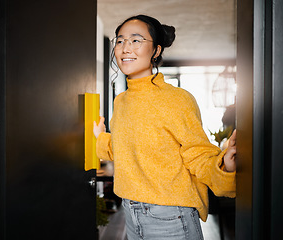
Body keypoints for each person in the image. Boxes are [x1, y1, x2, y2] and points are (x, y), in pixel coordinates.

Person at [93, 15, 236, 240]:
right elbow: (125, 149)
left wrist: (224, 167)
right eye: (120, 41)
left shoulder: (177, 99)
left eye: (136, 40)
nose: (125, 48)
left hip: (171, 217)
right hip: (130, 212)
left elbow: (197, 154)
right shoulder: (121, 101)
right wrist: (100, 137)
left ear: (156, 50)